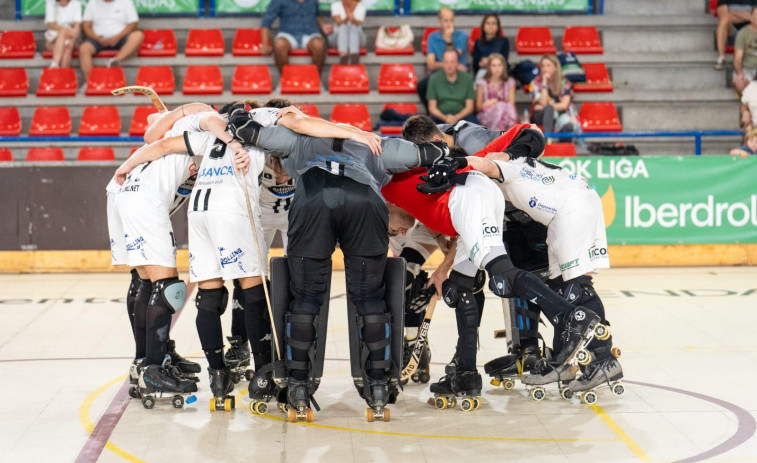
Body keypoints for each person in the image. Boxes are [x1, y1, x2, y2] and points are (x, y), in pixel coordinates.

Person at [225, 110, 454, 419]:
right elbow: (433, 150)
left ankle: (296, 385)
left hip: (313, 199)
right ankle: (377, 387)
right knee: (369, 297)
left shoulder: (300, 137)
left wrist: (240, 113)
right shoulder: (375, 143)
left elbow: (247, 130)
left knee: (306, 298)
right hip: (364, 202)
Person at [387, 120, 607, 409]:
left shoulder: (469, 138)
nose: (432, 159)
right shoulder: (415, 170)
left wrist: (503, 155)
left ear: (441, 138)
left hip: (530, 210)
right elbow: (448, 222)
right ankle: (471, 367)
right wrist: (446, 261)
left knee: (519, 278)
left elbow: (532, 134)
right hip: (494, 202)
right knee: (462, 286)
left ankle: (573, 322)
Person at [106, 102, 218, 406]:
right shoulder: (206, 127)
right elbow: (154, 127)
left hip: (123, 194)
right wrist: (187, 111)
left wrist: (179, 114)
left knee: (144, 281)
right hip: (144, 198)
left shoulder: (179, 128)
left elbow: (154, 126)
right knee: (169, 288)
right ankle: (153, 370)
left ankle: (148, 359)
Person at [79, 0, 144, 85]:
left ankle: (115, 61)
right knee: (84, 49)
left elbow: (134, 24)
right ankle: (89, 82)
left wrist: (117, 38)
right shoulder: (93, 2)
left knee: (138, 35)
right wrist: (97, 38)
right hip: (98, 39)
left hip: (121, 38)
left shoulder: (125, 2)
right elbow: (86, 25)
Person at [417, 8, 469, 112]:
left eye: (451, 20)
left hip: (459, 74)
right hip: (439, 75)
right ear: (439, 21)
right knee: (422, 85)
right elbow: (431, 64)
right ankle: (432, 114)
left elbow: (453, 56)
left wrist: (449, 38)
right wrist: (448, 65)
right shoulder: (432, 37)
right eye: (446, 21)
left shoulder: (462, 36)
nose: (449, 24)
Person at [261, 0, 332, 73]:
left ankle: (314, 78)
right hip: (288, 33)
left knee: (319, 44)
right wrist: (265, 44)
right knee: (279, 44)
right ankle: (286, 78)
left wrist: (323, 24)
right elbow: (266, 21)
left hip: (310, 33)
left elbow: (317, 15)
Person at [530, 54, 580, 135]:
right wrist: (544, 83)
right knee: (549, 109)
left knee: (568, 126)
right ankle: (547, 139)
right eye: (542, 66)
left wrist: (549, 105)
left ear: (555, 67)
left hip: (560, 114)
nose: (545, 69)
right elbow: (542, 102)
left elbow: (564, 105)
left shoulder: (564, 82)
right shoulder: (535, 83)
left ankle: (564, 146)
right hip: (540, 115)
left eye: (548, 66)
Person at [427, 48, 478, 125]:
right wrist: (446, 118)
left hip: (462, 117)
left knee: (476, 126)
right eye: (446, 62)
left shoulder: (468, 79)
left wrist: (456, 117)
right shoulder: (434, 78)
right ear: (442, 63)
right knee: (428, 125)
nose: (449, 65)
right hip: (440, 117)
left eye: (452, 62)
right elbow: (432, 107)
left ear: (457, 63)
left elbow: (469, 107)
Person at [475, 53, 518, 132]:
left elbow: (511, 105)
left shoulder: (510, 82)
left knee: (505, 109)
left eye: (499, 65)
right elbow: (478, 107)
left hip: (506, 115)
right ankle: (499, 138)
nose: (497, 69)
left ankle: (510, 137)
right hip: (487, 115)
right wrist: (489, 103)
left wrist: (498, 105)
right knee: (499, 110)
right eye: (493, 66)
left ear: (503, 67)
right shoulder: (482, 82)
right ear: (489, 67)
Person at [715, 0, 754, 70]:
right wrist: (747, 16)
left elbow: (754, 18)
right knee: (724, 21)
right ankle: (721, 57)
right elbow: (724, 16)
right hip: (734, 32)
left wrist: (733, 13)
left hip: (750, 33)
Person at [44, 0, 82, 69]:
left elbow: (77, 29)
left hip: (71, 38)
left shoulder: (76, 4)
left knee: (68, 44)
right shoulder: (51, 3)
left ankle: (55, 64)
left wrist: (69, 34)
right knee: (66, 44)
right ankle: (64, 76)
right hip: (53, 40)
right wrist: (66, 30)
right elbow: (51, 25)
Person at [471, 14, 509, 79]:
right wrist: (480, 64)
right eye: (487, 23)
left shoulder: (504, 41)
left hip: (499, 72)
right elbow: (475, 64)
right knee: (481, 74)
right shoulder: (478, 42)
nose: (490, 26)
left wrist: (489, 62)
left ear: (498, 27)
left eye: (493, 23)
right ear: (483, 26)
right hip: (483, 71)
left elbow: (504, 61)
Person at [329, 0, 366, 64]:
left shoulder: (361, 7)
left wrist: (353, 20)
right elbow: (338, 22)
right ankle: (344, 55)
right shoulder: (336, 5)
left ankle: (353, 55)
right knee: (343, 27)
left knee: (353, 26)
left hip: (357, 39)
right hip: (337, 39)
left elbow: (358, 23)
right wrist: (346, 19)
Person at [733, 6, 757, 94]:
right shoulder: (743, 33)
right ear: (751, 17)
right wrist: (740, 73)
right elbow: (737, 59)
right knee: (739, 83)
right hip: (747, 68)